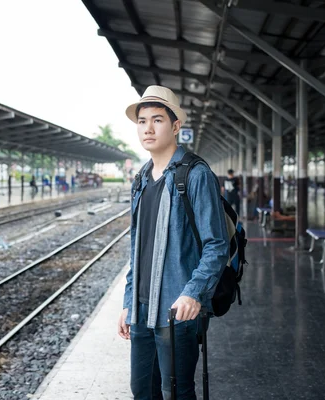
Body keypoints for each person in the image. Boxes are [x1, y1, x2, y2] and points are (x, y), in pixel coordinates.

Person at [117, 85, 230, 400]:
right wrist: (128, 302)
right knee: (143, 391)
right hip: (141, 308)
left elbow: (216, 244)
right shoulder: (140, 179)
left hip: (177, 309)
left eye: (157, 120)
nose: (148, 129)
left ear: (176, 125)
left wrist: (193, 294)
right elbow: (136, 247)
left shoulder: (195, 175)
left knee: (178, 391)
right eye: (142, 121)